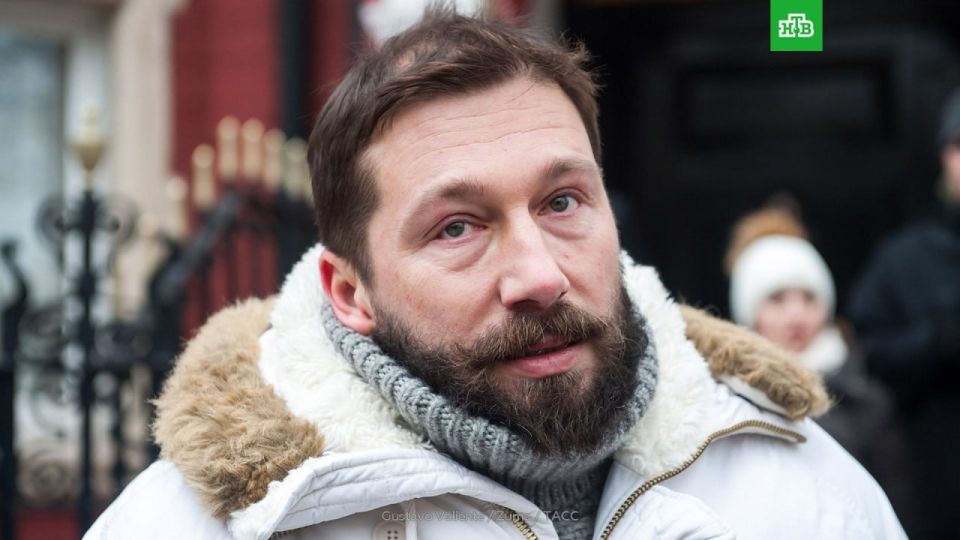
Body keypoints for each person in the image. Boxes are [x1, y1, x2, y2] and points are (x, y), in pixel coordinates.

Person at [86, 10, 904, 539]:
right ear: (349, 292)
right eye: (457, 227)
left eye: (562, 202)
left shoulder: (806, 488)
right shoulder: (192, 524)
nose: (539, 277)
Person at [725, 204, 908, 513]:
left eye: (809, 298)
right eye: (777, 299)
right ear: (750, 314)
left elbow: (894, 500)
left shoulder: (865, 394)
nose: (797, 315)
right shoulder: (727, 402)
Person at [848, 87, 960, 539]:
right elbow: (869, 357)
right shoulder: (903, 259)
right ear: (945, 156)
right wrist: (939, 341)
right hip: (935, 486)